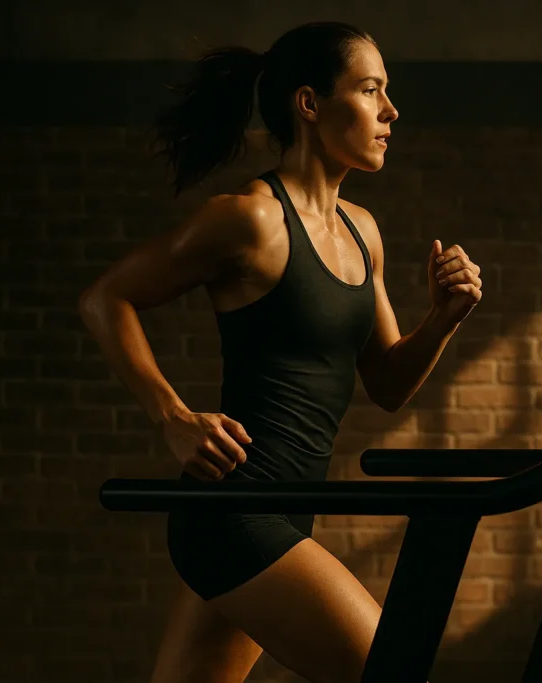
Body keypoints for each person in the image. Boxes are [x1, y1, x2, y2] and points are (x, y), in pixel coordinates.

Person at [79, 21, 483, 683]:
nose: (391, 111)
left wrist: (443, 319)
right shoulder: (251, 219)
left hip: (287, 510)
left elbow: (386, 383)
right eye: (370, 90)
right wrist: (173, 416)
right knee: (392, 671)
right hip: (234, 512)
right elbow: (105, 299)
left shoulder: (363, 232)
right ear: (309, 103)